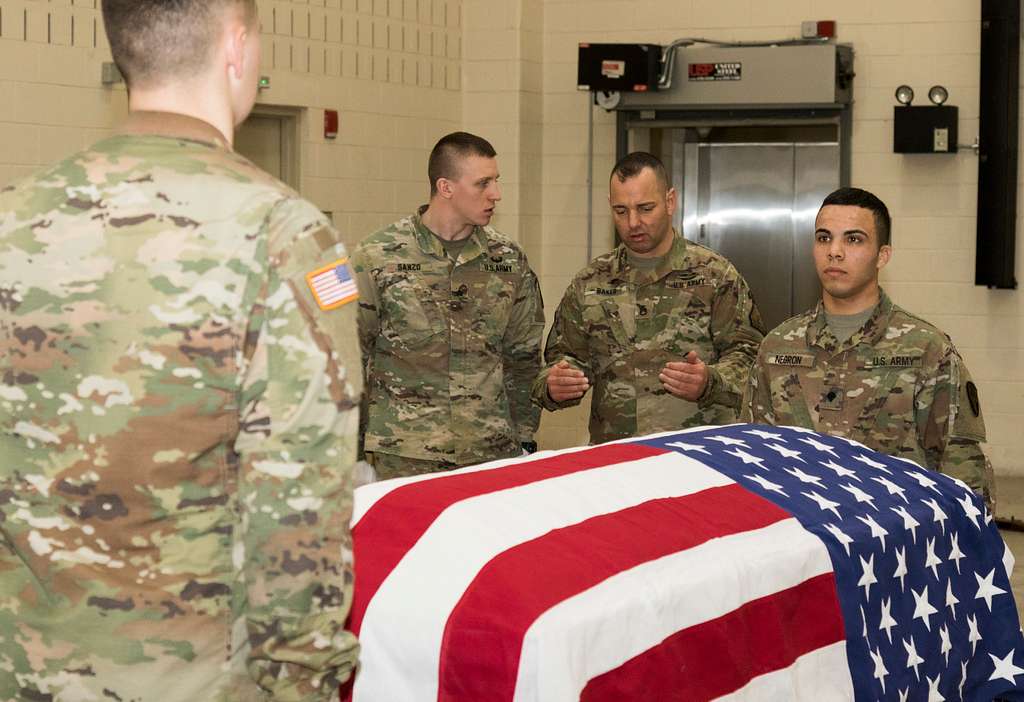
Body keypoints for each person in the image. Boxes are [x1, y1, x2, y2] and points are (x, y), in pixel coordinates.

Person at [0, 1, 361, 700]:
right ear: (237, 46)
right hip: (197, 677)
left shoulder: (14, 217)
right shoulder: (283, 235)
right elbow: (297, 506)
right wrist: (304, 683)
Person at [741, 186, 994, 506]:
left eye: (853, 239)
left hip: (894, 541)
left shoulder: (926, 351)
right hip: (805, 539)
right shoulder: (776, 348)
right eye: (824, 238)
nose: (835, 251)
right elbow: (750, 456)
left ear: (882, 255)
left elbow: (963, 469)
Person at [532, 151, 765, 444]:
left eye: (645, 208)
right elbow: (563, 359)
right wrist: (555, 384)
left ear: (670, 201)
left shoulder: (716, 276)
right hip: (617, 460)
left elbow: (752, 360)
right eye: (621, 211)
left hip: (697, 456)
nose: (633, 222)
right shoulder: (590, 283)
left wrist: (710, 381)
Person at [352, 132, 544, 479]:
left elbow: (523, 357)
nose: (496, 194)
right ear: (446, 187)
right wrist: (349, 450)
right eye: (483, 183)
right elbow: (351, 357)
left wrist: (525, 437)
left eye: (496, 181)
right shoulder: (377, 256)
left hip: (490, 453)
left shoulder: (509, 260)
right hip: (403, 457)